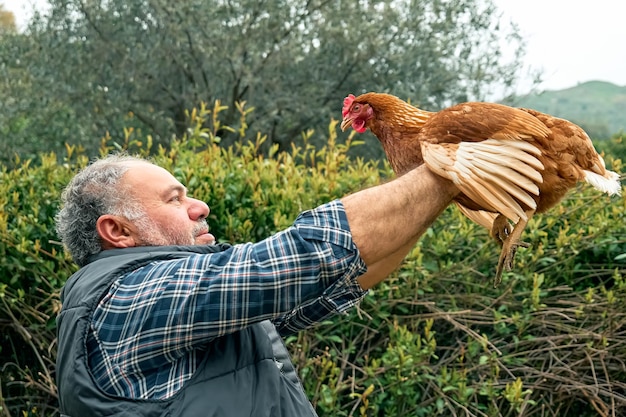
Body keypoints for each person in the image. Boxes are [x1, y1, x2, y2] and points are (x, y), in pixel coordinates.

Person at [54, 153, 458, 417]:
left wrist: (432, 198)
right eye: (174, 199)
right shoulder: (131, 297)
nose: (200, 207)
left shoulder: (186, 314)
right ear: (118, 231)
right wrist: (452, 168)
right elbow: (298, 258)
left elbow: (340, 278)